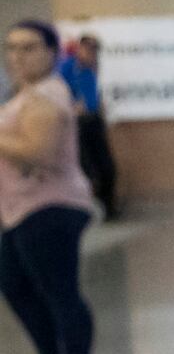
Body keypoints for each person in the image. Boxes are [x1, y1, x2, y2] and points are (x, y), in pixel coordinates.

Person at [2, 19, 102, 354]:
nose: (17, 57)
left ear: (51, 52)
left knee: (60, 292)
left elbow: (37, 152)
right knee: (16, 286)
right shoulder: (23, 95)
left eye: (28, 48)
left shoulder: (48, 96)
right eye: (11, 48)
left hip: (49, 207)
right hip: (17, 209)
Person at [58, 31, 115, 221]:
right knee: (86, 168)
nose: (92, 54)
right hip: (77, 124)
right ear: (80, 48)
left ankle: (109, 208)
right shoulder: (66, 68)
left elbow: (93, 93)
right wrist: (72, 108)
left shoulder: (91, 68)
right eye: (89, 49)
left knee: (107, 167)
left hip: (93, 120)